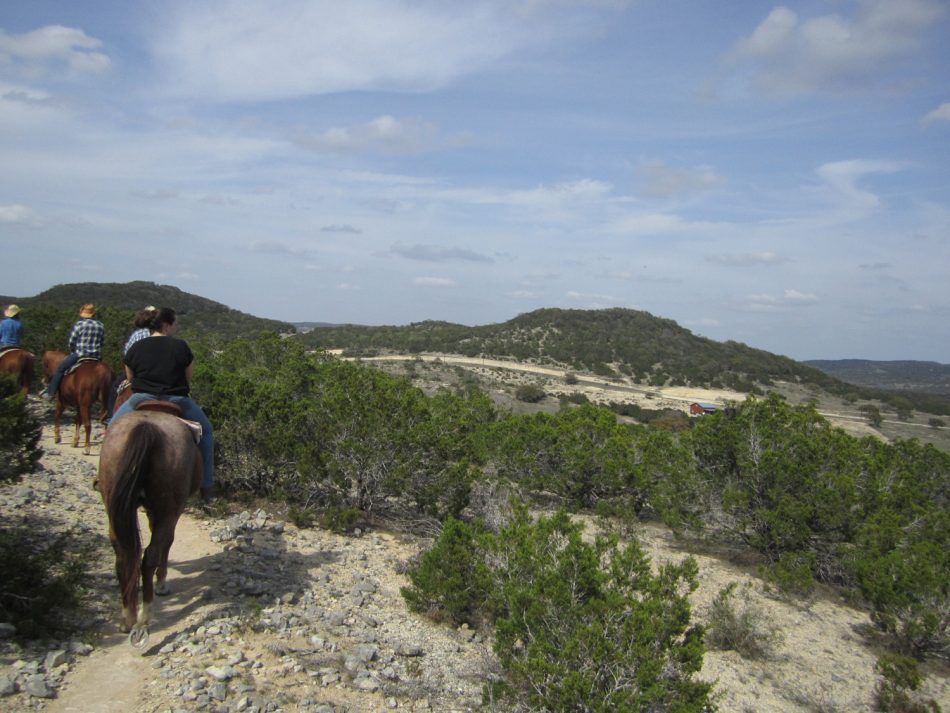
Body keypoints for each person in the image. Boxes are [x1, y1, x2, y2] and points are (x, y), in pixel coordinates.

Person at [110, 307, 215, 500]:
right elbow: (188, 377)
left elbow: (130, 377)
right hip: (175, 400)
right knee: (207, 431)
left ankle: (105, 477)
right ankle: (207, 485)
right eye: (175, 324)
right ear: (166, 325)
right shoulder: (181, 346)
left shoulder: (136, 347)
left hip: (141, 399)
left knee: (111, 428)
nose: (176, 327)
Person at [106, 305, 159, 417]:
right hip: (159, 374)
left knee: (115, 387)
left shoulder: (137, 334)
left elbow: (127, 356)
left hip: (138, 373)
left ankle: (110, 418)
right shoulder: (163, 335)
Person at [45, 303, 105, 399]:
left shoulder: (79, 324)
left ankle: (50, 392)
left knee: (60, 369)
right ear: (93, 313)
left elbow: (72, 341)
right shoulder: (100, 325)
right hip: (96, 356)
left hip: (80, 354)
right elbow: (102, 342)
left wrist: (72, 350)